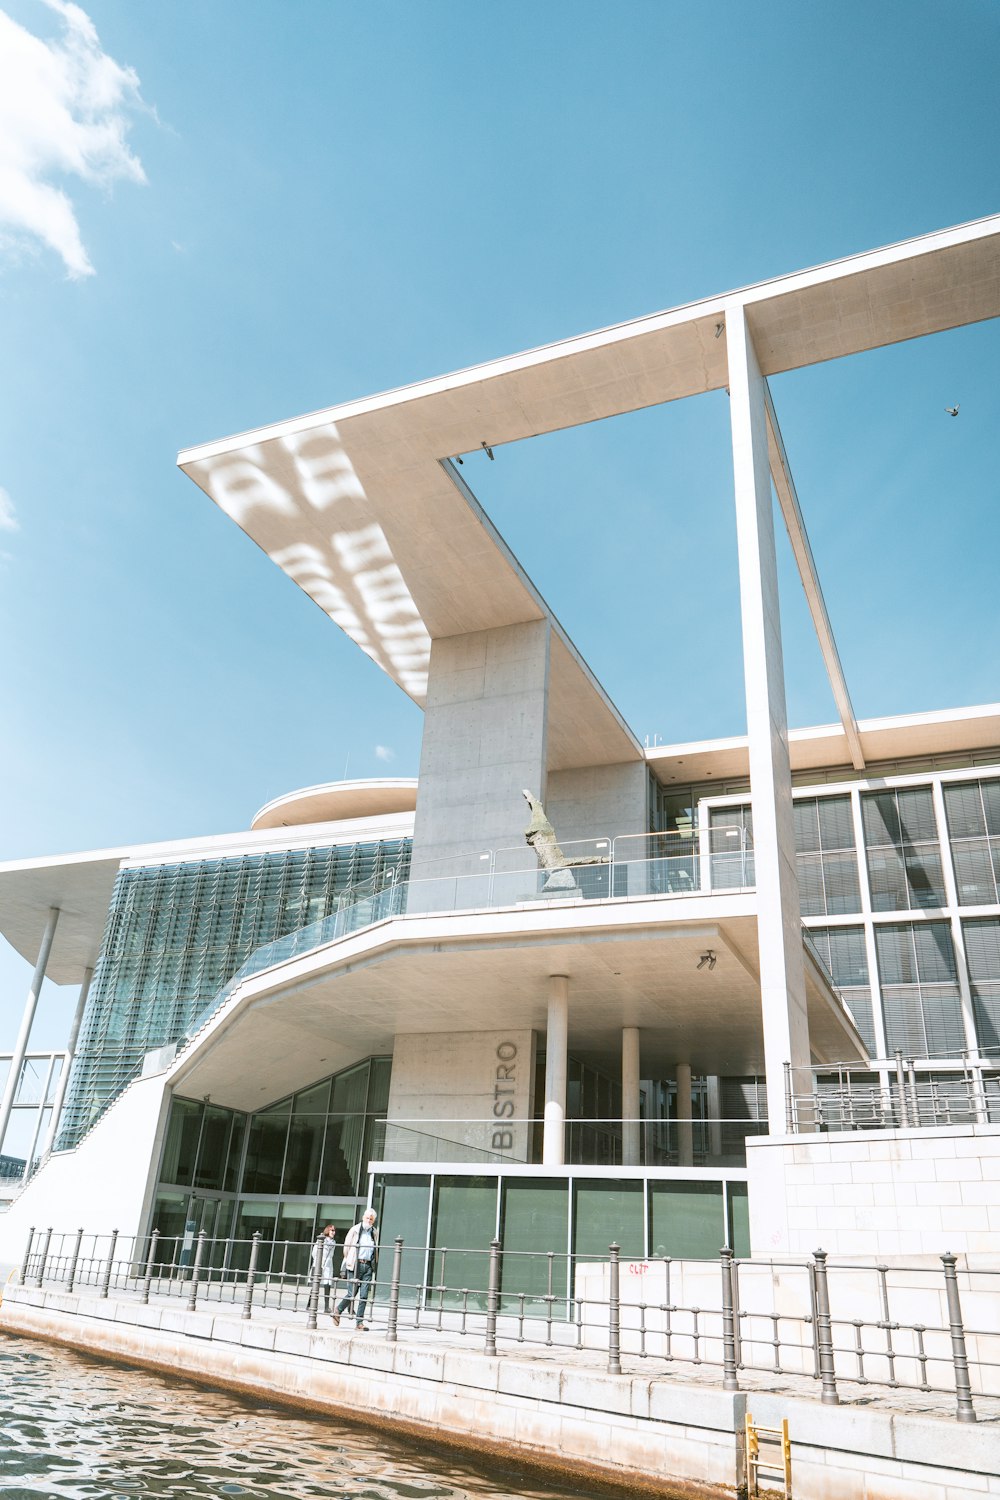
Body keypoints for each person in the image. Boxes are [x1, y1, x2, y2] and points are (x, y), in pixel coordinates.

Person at [332, 1208, 378, 1330]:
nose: (369, 1220)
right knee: (352, 1292)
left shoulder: (374, 1232)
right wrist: (349, 1260)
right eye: (367, 1218)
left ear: (373, 1221)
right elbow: (346, 1247)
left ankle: (359, 1323)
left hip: (368, 1265)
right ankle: (338, 1310)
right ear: (363, 1217)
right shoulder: (355, 1229)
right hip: (355, 1264)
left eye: (371, 1219)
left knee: (363, 1295)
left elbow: (375, 1248)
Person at [310, 1224, 337, 1313]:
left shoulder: (333, 1242)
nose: (333, 1232)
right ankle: (309, 1304)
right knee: (315, 1284)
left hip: (328, 1265)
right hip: (320, 1264)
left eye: (334, 1230)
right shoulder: (321, 1240)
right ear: (328, 1231)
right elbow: (314, 1252)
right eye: (332, 1230)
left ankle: (326, 1307)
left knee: (327, 1285)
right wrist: (318, 1262)